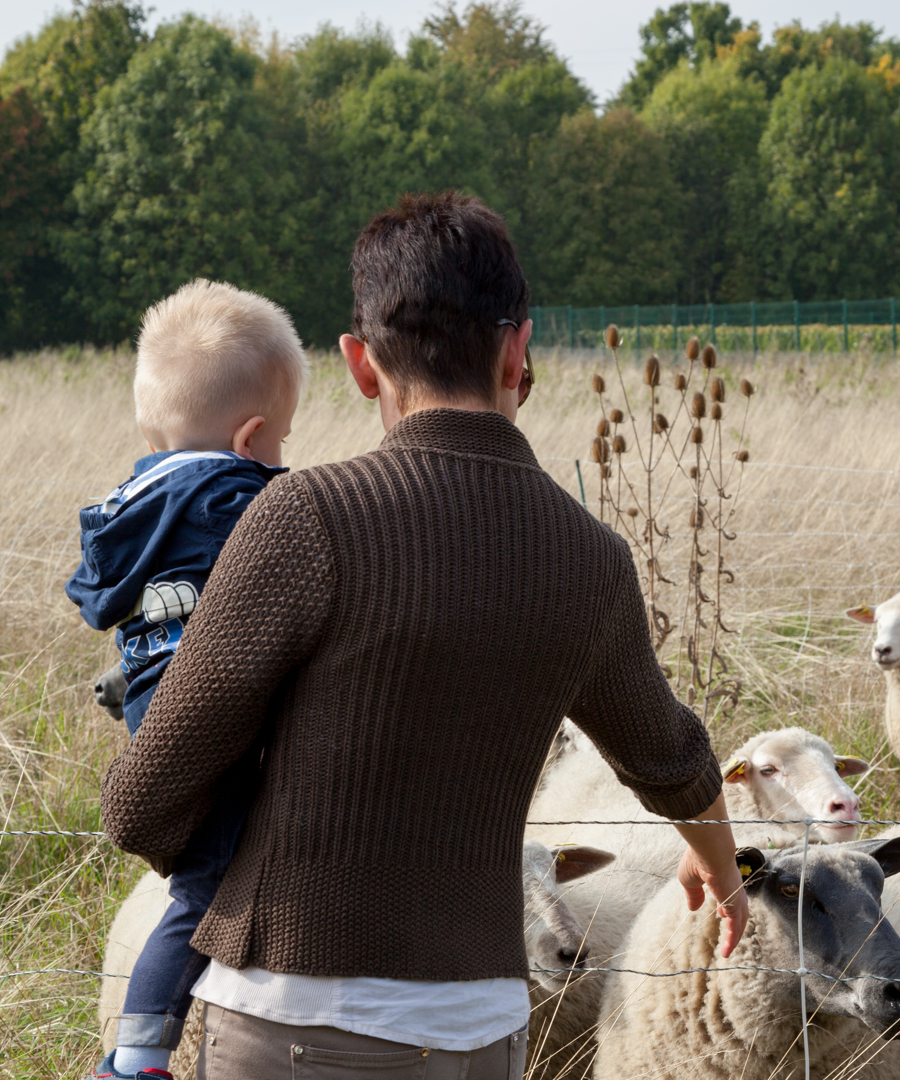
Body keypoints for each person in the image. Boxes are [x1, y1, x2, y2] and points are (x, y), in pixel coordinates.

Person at [98, 192, 748, 1080]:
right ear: (519, 350)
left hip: (292, 1023)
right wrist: (721, 867)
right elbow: (671, 758)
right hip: (482, 1030)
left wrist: (239, 860)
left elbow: (139, 802)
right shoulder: (592, 559)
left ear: (361, 365)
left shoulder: (304, 516)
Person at [66, 279, 307, 1080]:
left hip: (152, 712)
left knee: (206, 867)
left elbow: (93, 597)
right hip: (221, 710)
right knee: (208, 890)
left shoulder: (125, 508)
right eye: (280, 445)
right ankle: (137, 1055)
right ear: (251, 436)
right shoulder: (244, 498)